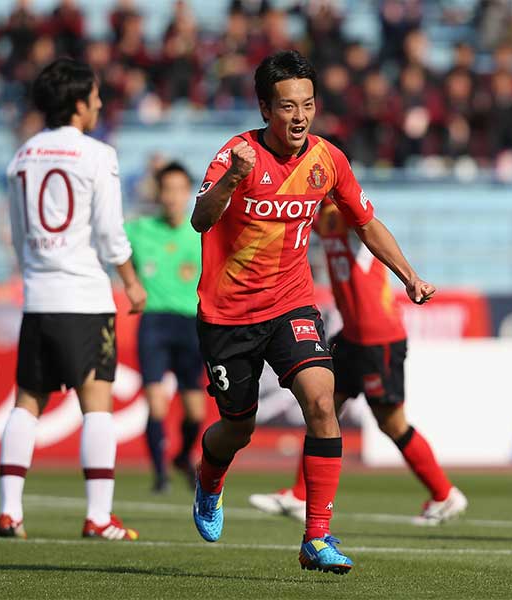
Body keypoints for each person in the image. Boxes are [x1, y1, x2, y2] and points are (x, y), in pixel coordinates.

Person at [189, 50, 435, 574]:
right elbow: (199, 219)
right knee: (238, 429)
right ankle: (210, 482)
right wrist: (233, 180)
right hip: (229, 315)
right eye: (286, 106)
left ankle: (316, 536)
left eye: (307, 104)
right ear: (264, 109)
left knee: (322, 402)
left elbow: (366, 223)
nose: (299, 116)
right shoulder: (235, 155)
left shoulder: (329, 160)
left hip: (292, 303)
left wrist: (408, 275)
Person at [0, 58, 147, 541]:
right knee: (96, 402)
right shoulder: (98, 154)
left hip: (39, 295)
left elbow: (20, 235)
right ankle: (99, 516)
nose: (101, 104)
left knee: (27, 401)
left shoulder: (20, 157)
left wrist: (37, 272)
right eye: (96, 97)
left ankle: (9, 512)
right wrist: (131, 281)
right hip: (84, 294)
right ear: (79, 103)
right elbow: (109, 232)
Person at [248, 200, 467, 525]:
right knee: (322, 406)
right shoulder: (320, 216)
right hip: (352, 337)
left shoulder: (343, 214)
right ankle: (299, 495)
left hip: (379, 339)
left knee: (392, 424)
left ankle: (445, 494)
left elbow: (365, 220)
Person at [125, 161, 205, 494]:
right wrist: (131, 282)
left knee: (195, 412)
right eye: (166, 189)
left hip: (192, 324)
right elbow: (110, 244)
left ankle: (183, 456)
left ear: (189, 193)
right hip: (155, 323)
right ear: (158, 193)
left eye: (179, 190)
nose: (172, 197)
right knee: (156, 403)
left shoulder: (202, 230)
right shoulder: (140, 229)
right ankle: (160, 476)